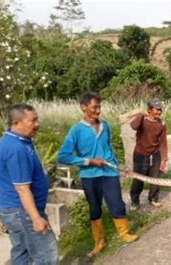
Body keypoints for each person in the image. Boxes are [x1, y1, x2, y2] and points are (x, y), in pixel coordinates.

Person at [58, 91, 138, 258]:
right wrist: (89, 161)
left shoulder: (105, 125)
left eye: (99, 107)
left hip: (110, 171)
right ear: (83, 107)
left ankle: (124, 233)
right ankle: (99, 242)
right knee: (95, 209)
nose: (98, 110)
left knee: (116, 202)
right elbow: (64, 156)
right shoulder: (76, 130)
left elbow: (108, 146)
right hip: (90, 176)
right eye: (94, 107)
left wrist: (117, 164)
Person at [0, 103, 59, 264]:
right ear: (16, 123)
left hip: (13, 209)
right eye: (33, 121)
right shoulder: (16, 148)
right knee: (46, 254)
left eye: (37, 119)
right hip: (21, 211)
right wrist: (36, 218)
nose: (37, 124)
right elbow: (22, 188)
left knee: (21, 251)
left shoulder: (18, 139)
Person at [129, 98, 168, 210]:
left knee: (155, 179)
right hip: (140, 154)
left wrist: (164, 159)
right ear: (150, 110)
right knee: (138, 179)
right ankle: (135, 201)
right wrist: (141, 115)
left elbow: (163, 142)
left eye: (160, 110)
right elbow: (133, 126)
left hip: (155, 155)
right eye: (157, 110)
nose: (159, 112)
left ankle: (153, 198)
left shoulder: (162, 123)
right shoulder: (142, 120)